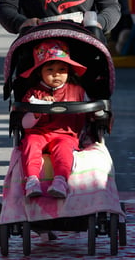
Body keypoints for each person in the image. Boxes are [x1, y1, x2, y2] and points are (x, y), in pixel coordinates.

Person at [19, 40, 87, 198]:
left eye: (62, 69)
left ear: (69, 71)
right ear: (39, 72)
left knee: (64, 150)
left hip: (65, 134)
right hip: (38, 132)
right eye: (50, 69)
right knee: (30, 143)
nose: (56, 74)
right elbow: (24, 124)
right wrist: (37, 111)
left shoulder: (78, 91)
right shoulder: (34, 93)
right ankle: (32, 180)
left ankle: (60, 181)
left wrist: (98, 112)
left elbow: (92, 113)